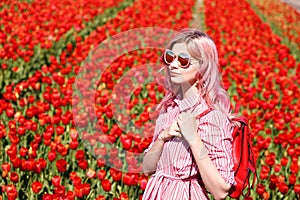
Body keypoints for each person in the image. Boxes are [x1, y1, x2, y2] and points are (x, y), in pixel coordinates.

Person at [142, 28, 236, 200]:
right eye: (170, 57)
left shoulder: (212, 117)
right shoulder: (169, 109)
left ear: (203, 66)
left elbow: (221, 191)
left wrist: (193, 138)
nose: (173, 64)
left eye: (183, 60)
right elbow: (147, 169)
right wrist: (162, 137)